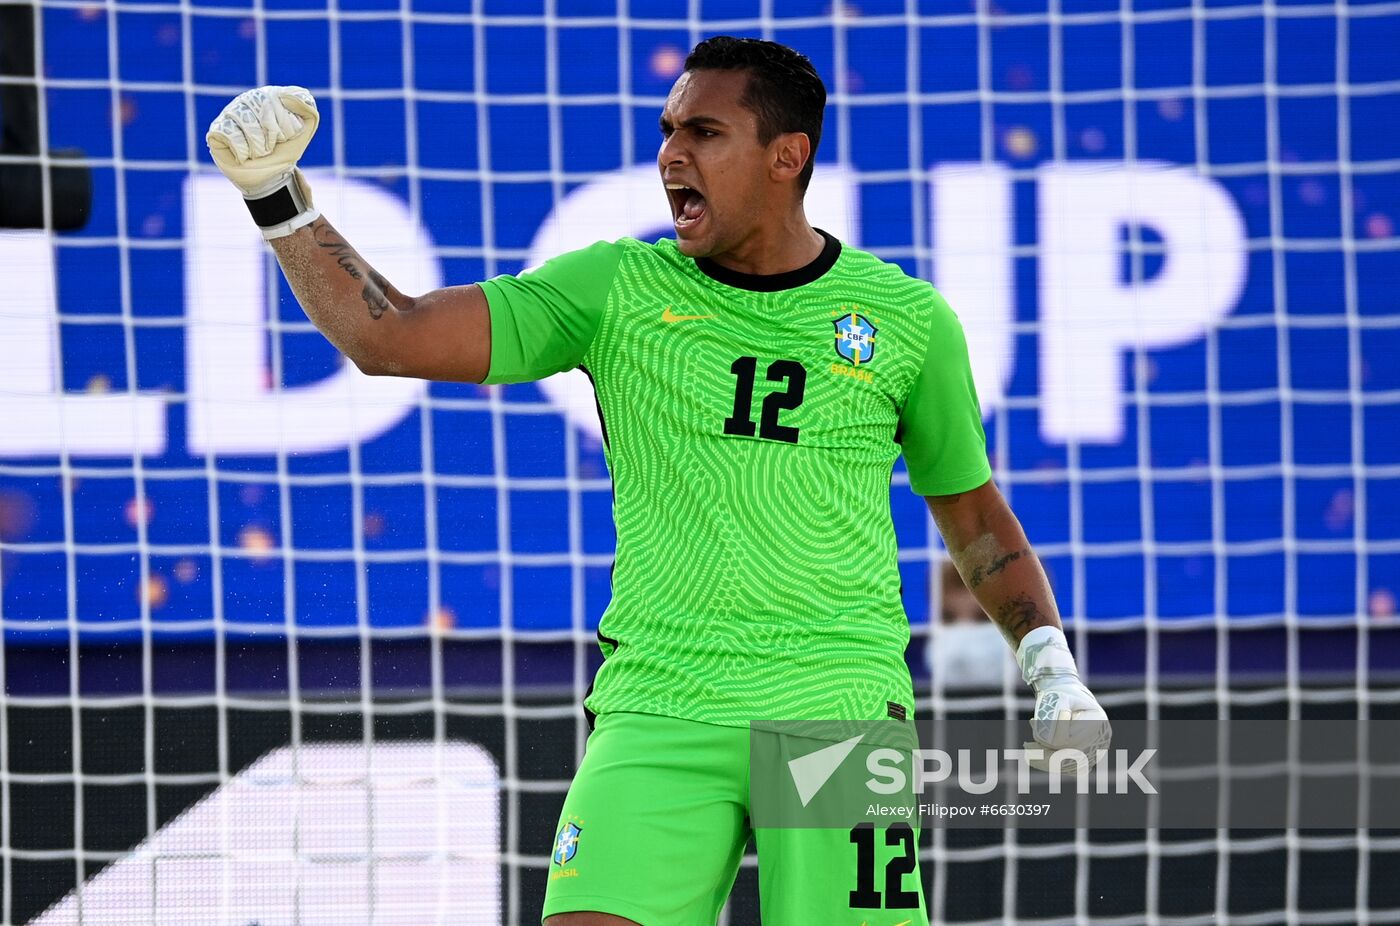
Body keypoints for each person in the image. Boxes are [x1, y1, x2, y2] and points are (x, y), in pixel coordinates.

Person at [207, 35, 1110, 926]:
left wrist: (1050, 663)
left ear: (786, 157)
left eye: (705, 133)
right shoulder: (618, 289)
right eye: (667, 130)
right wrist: (278, 200)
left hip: (837, 714)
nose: (672, 154)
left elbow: (973, 514)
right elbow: (389, 336)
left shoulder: (908, 322)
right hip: (660, 705)